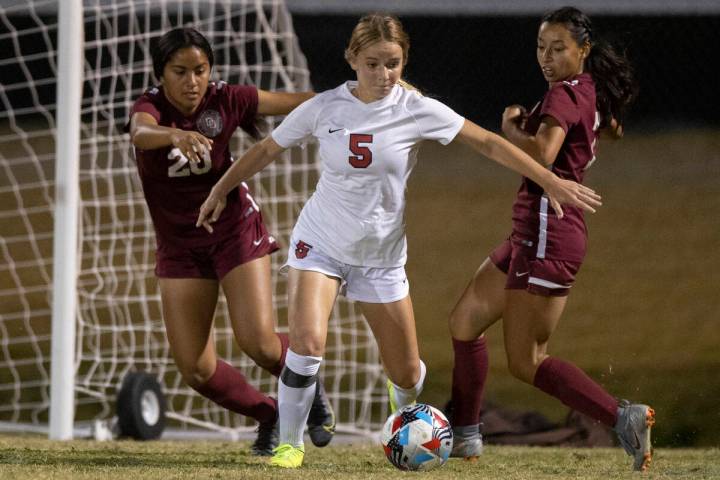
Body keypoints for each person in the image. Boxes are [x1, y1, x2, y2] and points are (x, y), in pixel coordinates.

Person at [196, 13, 601, 469]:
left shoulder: (415, 109)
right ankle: (289, 445)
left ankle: (402, 405)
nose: (384, 75)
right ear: (352, 59)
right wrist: (219, 189)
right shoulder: (325, 106)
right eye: (373, 64)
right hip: (321, 242)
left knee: (407, 373)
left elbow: (486, 142)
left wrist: (549, 180)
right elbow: (266, 150)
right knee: (308, 342)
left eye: (393, 63)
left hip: (380, 258)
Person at [446, 6, 654, 472]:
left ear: (583, 50)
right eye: (541, 47)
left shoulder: (564, 94)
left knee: (527, 361)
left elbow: (543, 152)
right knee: (463, 322)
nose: (547, 57)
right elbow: (610, 128)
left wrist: (511, 130)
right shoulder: (586, 90)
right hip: (533, 231)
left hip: (548, 231)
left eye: (558, 48)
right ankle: (465, 437)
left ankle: (622, 417)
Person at [125, 27, 335, 455]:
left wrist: (351, 97)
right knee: (196, 369)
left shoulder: (227, 99)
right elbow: (140, 133)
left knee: (256, 340)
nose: (192, 81)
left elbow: (300, 104)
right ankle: (270, 413)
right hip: (180, 248)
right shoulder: (150, 108)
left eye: (200, 70)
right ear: (160, 73)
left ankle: (309, 387)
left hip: (233, 230)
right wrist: (175, 134)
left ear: (211, 70)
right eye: (180, 71)